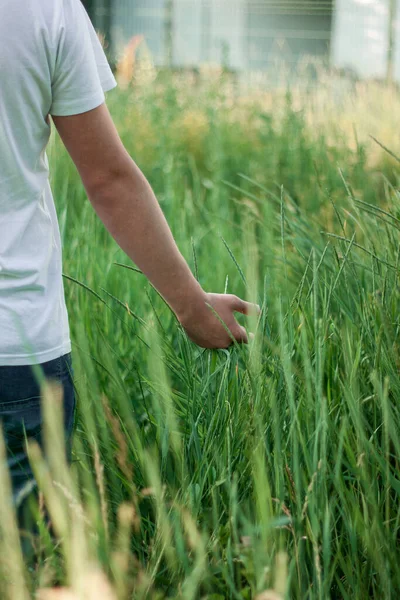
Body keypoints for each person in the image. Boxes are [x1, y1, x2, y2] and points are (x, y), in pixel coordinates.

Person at [0, 0, 259, 549]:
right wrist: (191, 305)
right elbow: (108, 179)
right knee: (18, 562)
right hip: (17, 347)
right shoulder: (46, 9)